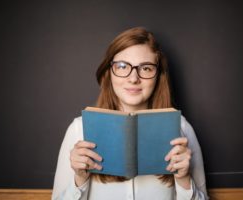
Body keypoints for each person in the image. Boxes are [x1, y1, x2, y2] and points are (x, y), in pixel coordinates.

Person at [52, 27, 208, 200]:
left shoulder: (182, 129)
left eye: (146, 68)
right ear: (109, 73)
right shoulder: (78, 130)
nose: (133, 78)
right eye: (122, 66)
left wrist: (184, 180)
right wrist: (80, 179)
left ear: (158, 76)